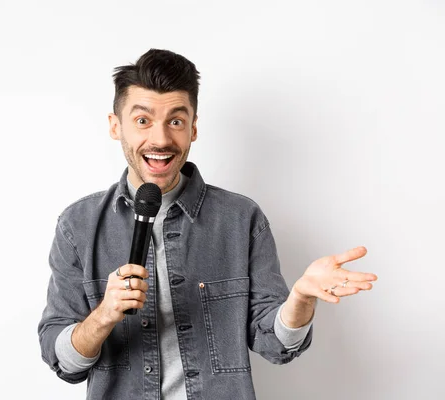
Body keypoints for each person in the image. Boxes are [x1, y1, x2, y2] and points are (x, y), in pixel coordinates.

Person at [37, 48, 377, 400]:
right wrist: (104, 316)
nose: (161, 140)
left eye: (176, 121)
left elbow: (275, 344)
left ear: (193, 128)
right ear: (115, 125)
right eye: (142, 121)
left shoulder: (241, 219)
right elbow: (61, 359)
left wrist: (301, 298)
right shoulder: (77, 225)